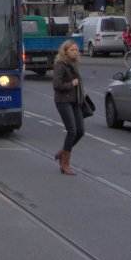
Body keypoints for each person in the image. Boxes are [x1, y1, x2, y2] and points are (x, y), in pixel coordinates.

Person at [51, 40, 85, 176]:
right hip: (63, 101)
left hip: (75, 101)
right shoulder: (60, 65)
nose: (75, 52)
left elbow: (78, 83)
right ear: (65, 51)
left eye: (76, 50)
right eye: (72, 50)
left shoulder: (73, 65)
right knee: (72, 130)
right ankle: (65, 163)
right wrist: (72, 84)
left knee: (80, 131)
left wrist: (81, 91)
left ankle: (62, 153)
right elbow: (57, 85)